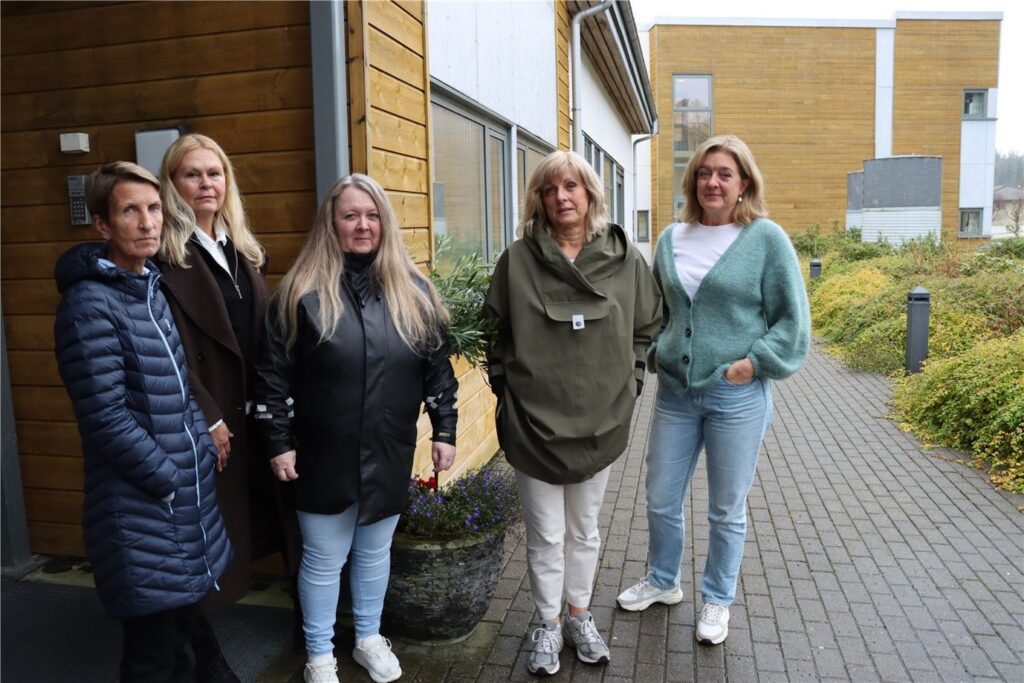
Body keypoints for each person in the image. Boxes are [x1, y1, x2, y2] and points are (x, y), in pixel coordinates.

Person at [254, 173, 458, 683]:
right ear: (332, 223)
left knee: (374, 553)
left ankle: (368, 637)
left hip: (388, 450)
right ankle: (319, 654)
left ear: (384, 223)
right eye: (350, 215)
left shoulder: (415, 293)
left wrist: (445, 429)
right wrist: (278, 442)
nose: (362, 225)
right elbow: (270, 379)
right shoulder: (299, 295)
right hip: (321, 453)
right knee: (324, 559)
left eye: (371, 215)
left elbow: (437, 370)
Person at [615, 135, 811, 646]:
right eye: (704, 173)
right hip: (676, 394)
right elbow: (656, 309)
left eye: (725, 173)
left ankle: (718, 600)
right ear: (693, 181)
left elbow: (794, 321)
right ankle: (663, 581)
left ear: (744, 182)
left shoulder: (765, 239)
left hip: (736, 396)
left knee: (726, 508)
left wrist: (754, 364)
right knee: (660, 497)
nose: (713, 183)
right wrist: (656, 350)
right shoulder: (670, 238)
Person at [485, 150, 662, 676]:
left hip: (600, 422)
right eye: (549, 189)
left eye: (571, 187)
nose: (561, 197)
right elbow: (495, 333)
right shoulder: (517, 261)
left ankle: (579, 615)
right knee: (544, 534)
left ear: (590, 195)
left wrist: (630, 382)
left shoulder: (625, 259)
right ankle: (545, 622)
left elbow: (647, 325)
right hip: (533, 424)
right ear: (538, 200)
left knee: (584, 530)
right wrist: (506, 392)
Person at [53, 161, 232, 682]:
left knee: (182, 643)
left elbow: (177, 391)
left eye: (153, 208)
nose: (147, 222)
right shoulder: (89, 305)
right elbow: (105, 418)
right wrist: (170, 478)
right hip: (140, 509)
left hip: (178, 502)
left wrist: (197, 446)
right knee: (152, 659)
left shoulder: (148, 289)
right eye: (130, 210)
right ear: (104, 226)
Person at [155, 133, 291, 680]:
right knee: (200, 537)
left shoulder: (240, 247)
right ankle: (200, 650)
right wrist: (205, 414)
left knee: (273, 517)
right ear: (173, 184)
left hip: (255, 411)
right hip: (208, 419)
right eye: (192, 174)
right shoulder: (165, 255)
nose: (206, 184)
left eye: (214, 173)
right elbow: (167, 350)